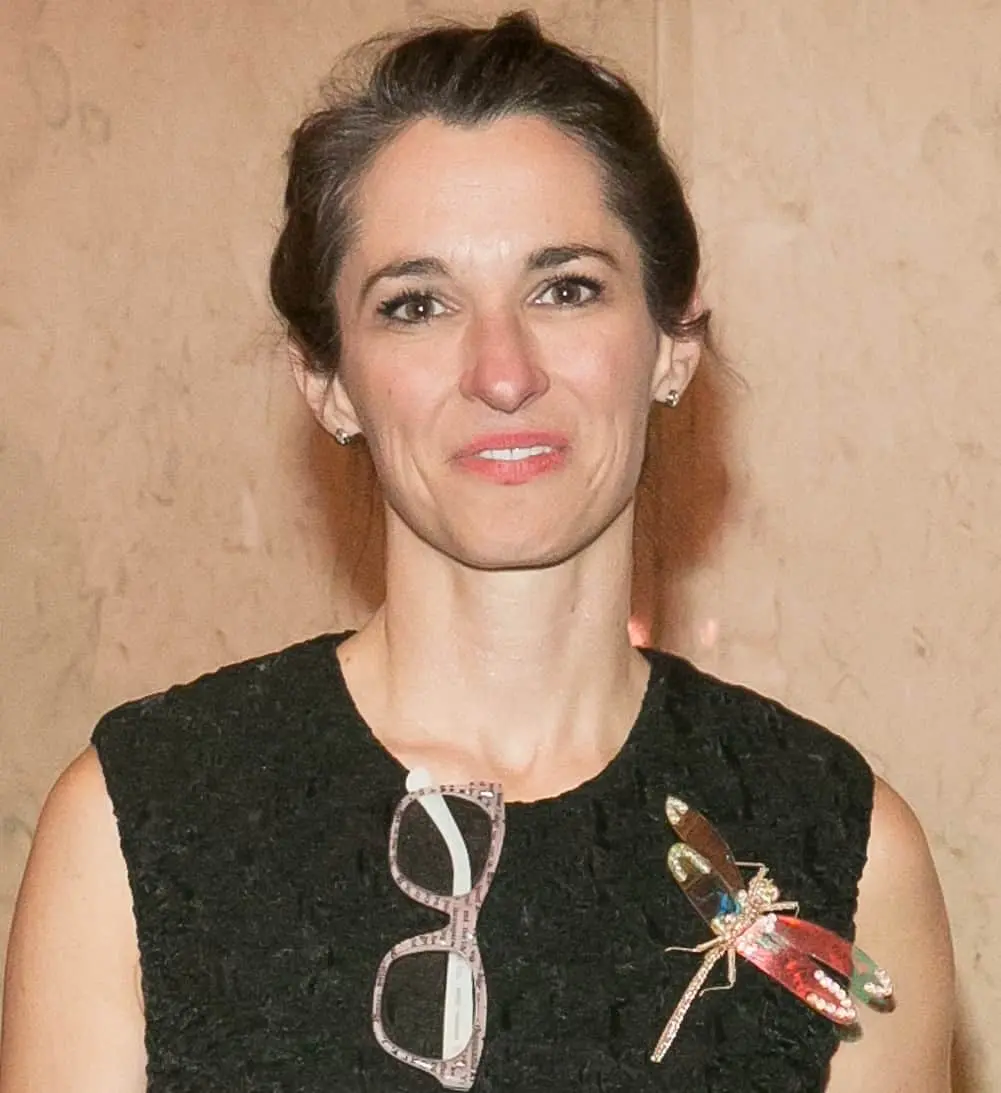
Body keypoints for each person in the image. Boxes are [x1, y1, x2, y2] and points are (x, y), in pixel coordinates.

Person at [0, 12, 954, 1092]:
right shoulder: (139, 822)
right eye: (416, 304)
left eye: (565, 288)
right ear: (327, 382)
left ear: (673, 342)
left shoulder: (841, 844)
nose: (502, 371)